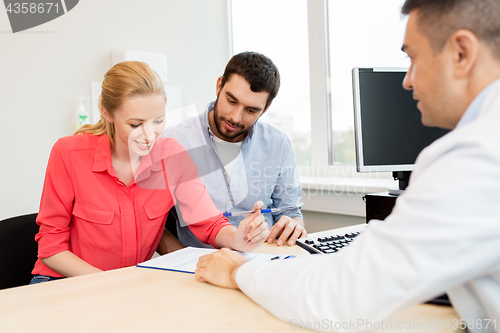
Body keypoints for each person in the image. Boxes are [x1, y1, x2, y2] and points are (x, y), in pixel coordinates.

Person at [194, 1, 500, 331]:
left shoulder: (476, 155)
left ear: (461, 53)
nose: (408, 81)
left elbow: (342, 294)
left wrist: (238, 271)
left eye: (412, 58)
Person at [30, 61, 269, 284]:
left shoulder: (172, 156)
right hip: (62, 283)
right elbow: (51, 249)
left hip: (125, 288)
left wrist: (237, 238)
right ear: (107, 112)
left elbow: (208, 222)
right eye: (135, 124)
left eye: (158, 121)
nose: (148, 135)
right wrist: (111, 287)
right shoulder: (69, 153)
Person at [162, 51, 307, 248]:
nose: (235, 118)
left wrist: (293, 226)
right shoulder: (174, 142)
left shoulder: (278, 144)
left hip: (260, 262)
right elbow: (155, 223)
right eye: (231, 101)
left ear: (265, 108)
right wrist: (184, 261)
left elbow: (291, 212)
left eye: (251, 110)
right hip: (197, 264)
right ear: (219, 85)